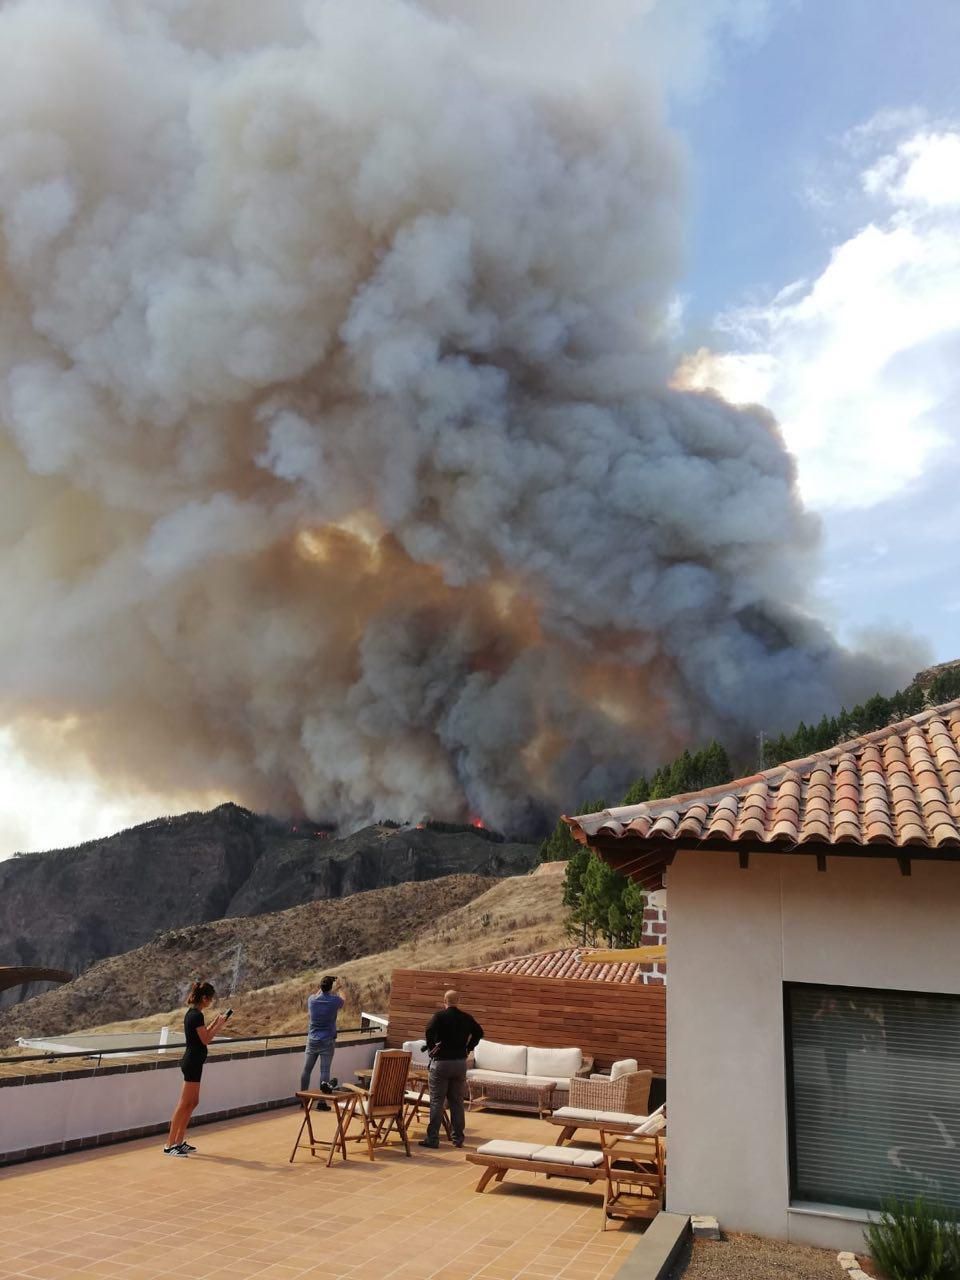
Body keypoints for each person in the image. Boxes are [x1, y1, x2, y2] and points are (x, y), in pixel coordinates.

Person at [164, 979, 230, 1156]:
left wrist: (215, 1023)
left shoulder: (194, 1014)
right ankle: (170, 1144)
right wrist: (219, 1025)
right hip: (192, 1062)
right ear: (205, 998)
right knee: (184, 1103)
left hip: (195, 1062)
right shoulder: (195, 1015)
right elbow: (206, 1040)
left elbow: (203, 1035)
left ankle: (179, 1141)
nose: (211, 1002)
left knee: (193, 1102)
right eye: (210, 999)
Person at [418, 989, 483, 1149]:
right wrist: (469, 1047)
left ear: (444, 1001)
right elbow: (479, 1032)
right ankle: (458, 1138)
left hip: (441, 1063)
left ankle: (433, 1139)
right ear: (458, 1001)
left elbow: (429, 1031)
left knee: (437, 1101)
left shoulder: (439, 1017)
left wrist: (433, 1048)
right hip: (460, 1063)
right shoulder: (467, 1018)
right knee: (457, 1101)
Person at [299, 974, 344, 1110]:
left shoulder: (312, 1000)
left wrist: (325, 986)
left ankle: (303, 1100)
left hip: (312, 1040)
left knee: (307, 1069)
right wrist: (340, 986)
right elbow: (343, 999)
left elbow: (319, 993)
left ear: (320, 987)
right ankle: (322, 1102)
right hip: (327, 1040)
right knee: (324, 1071)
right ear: (331, 988)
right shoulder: (334, 1001)